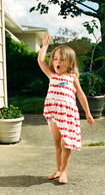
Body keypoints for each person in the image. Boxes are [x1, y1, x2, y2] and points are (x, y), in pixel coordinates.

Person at [37, 32, 94, 184]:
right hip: (55, 114)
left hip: (68, 115)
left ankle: (64, 171)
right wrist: (44, 46)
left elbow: (81, 96)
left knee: (65, 143)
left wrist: (88, 113)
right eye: (55, 59)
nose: (58, 62)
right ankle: (58, 169)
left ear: (70, 63)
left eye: (62, 60)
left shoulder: (72, 78)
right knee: (57, 144)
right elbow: (40, 60)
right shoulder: (52, 75)